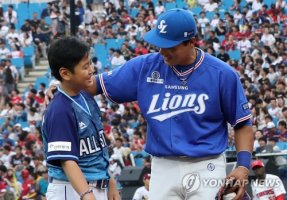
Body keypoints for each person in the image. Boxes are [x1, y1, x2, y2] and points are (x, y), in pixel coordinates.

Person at [48, 9, 254, 200]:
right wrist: (59, 87)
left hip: (206, 164)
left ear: (191, 42)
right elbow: (92, 85)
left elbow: (242, 123)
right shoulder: (144, 67)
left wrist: (243, 166)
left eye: (170, 47)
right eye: (160, 45)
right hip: (163, 166)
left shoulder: (221, 74)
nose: (163, 52)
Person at [42, 37, 120, 200]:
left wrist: (110, 182)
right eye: (85, 67)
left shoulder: (85, 94)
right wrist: (86, 194)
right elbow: (66, 160)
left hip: (95, 186)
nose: (91, 69)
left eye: (90, 63)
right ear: (65, 73)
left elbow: (98, 151)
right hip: (70, 189)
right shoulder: (59, 109)